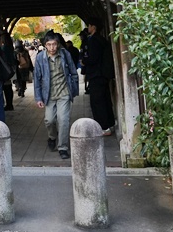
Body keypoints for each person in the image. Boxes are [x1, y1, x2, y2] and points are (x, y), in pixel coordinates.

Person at [34, 31, 79, 159]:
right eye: (49, 45)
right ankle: (52, 136)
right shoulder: (40, 58)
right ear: (45, 45)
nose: (52, 47)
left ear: (58, 44)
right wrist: (38, 98)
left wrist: (74, 89)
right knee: (49, 120)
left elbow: (73, 72)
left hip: (64, 92)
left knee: (63, 120)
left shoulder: (65, 54)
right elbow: (37, 78)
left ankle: (63, 147)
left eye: (54, 44)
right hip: (48, 94)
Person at [81, 21, 117, 136]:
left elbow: (92, 58)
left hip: (96, 74)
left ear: (94, 27)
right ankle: (110, 124)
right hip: (103, 75)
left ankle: (103, 127)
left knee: (97, 102)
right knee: (105, 100)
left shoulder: (93, 40)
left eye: (90, 25)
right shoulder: (102, 39)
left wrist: (84, 61)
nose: (88, 28)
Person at [0, 32, 16, 111]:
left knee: (6, 87)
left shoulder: (4, 48)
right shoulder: (10, 47)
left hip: (5, 69)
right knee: (9, 87)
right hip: (11, 68)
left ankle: (8, 104)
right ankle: (10, 103)